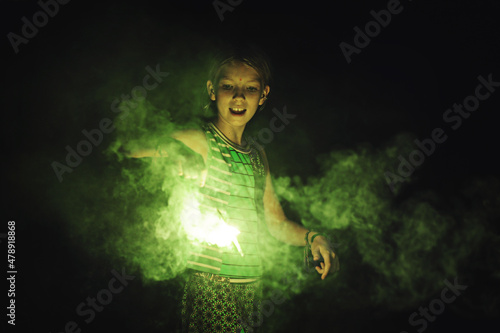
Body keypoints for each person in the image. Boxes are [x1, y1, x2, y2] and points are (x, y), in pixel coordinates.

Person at [127, 43, 339, 333]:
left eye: (250, 89)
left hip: (251, 287)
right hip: (211, 288)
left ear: (263, 95)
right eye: (228, 86)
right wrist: (176, 153)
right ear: (212, 90)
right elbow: (129, 148)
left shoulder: (257, 155)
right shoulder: (201, 140)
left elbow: (276, 223)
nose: (239, 97)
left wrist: (314, 238)